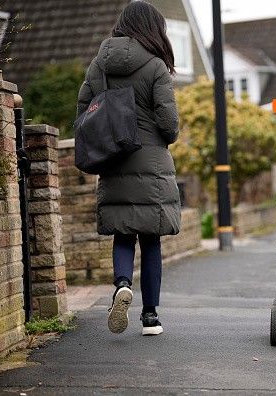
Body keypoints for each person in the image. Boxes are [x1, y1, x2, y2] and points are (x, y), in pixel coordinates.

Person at [76, 1, 181, 336]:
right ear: (152, 29)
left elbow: (82, 114)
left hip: (113, 160)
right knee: (151, 240)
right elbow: (169, 125)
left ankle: (122, 284)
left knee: (123, 234)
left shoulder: (98, 66)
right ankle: (150, 316)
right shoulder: (155, 66)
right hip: (150, 163)